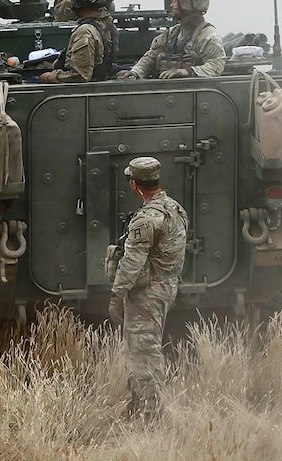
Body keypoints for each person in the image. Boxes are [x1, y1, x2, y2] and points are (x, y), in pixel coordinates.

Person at [108, 156, 188, 420]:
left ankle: (154, 416)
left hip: (146, 293)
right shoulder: (175, 208)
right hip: (165, 287)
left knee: (144, 353)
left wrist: (117, 295)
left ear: (134, 184)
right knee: (136, 350)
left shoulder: (145, 220)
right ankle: (135, 407)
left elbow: (132, 262)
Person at [117, 0, 225, 79]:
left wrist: (186, 72)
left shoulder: (208, 36)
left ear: (188, 3)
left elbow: (216, 65)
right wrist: (135, 73)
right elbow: (152, 56)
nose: (172, 5)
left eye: (175, 1)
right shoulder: (173, 33)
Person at [39, 0, 118, 83]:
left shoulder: (85, 31)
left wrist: (50, 77)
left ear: (80, 0)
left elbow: (80, 76)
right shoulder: (108, 25)